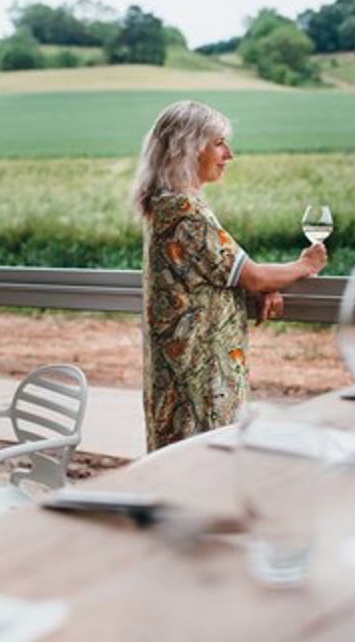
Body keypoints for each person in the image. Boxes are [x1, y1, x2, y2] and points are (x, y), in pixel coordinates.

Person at [133, 100, 326, 451]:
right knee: (205, 473)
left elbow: (215, 274)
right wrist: (305, 266)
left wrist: (251, 289)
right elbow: (253, 275)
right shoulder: (185, 212)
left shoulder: (163, 205)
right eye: (219, 142)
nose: (229, 154)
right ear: (188, 148)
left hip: (178, 380)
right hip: (200, 384)